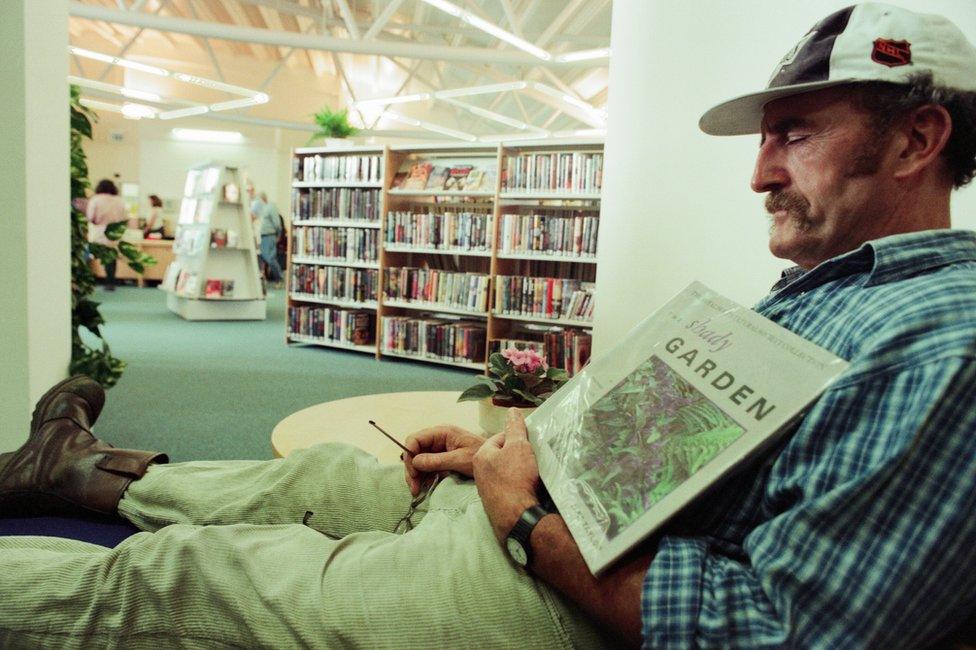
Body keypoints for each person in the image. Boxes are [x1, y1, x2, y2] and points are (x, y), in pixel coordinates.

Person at [2, 4, 976, 647]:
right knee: (325, 476)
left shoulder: (943, 348)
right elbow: (683, 467)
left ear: (916, 140)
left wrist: (525, 514)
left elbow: (781, 632)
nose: (759, 172)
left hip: (557, 593)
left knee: (180, 575)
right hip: (553, 532)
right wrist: (511, 459)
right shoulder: (846, 291)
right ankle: (70, 471)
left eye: (795, 135)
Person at [86, 178, 129, 291]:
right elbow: (125, 218)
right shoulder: (120, 201)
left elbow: (90, 218)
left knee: (91, 255)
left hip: (98, 232)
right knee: (111, 258)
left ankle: (88, 280)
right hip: (114, 233)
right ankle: (111, 282)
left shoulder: (95, 200)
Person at [258, 191, 284, 283]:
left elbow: (277, 223)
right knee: (263, 257)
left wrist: (278, 235)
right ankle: (271, 277)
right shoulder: (263, 209)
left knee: (269, 258)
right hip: (264, 236)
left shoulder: (271, 207)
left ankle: (279, 277)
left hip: (270, 236)